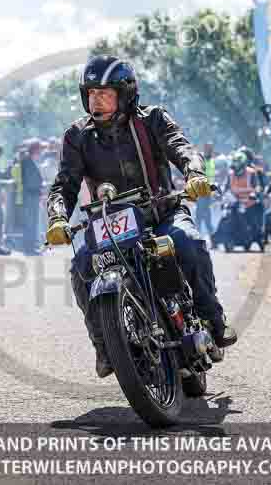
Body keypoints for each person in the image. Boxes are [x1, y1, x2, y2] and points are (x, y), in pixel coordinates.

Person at [45, 55, 237, 378]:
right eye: (91, 93)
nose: (96, 100)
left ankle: (213, 319)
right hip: (110, 226)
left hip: (161, 213)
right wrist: (57, 218)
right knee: (81, 268)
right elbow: (64, 184)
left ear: (126, 94)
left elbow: (182, 146)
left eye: (105, 93)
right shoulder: (76, 136)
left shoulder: (153, 120)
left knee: (189, 242)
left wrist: (193, 172)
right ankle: (106, 347)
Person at [21, 139, 44, 255]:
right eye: (39, 149)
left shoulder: (31, 161)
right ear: (35, 149)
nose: (41, 152)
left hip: (33, 196)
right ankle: (29, 248)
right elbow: (30, 181)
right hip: (30, 196)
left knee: (33, 222)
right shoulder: (27, 161)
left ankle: (32, 246)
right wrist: (38, 190)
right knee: (30, 223)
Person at [195, 142, 216, 238]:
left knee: (203, 216)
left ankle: (206, 237)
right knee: (202, 216)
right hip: (202, 191)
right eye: (208, 148)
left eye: (210, 148)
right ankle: (206, 237)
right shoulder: (202, 160)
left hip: (207, 193)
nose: (209, 150)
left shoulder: (210, 160)